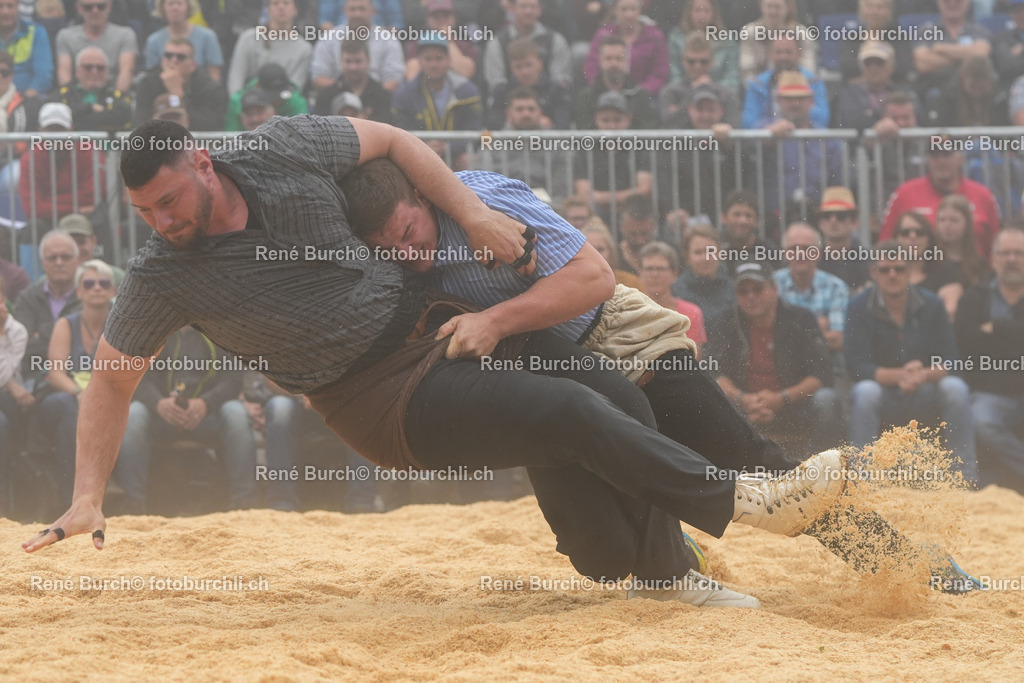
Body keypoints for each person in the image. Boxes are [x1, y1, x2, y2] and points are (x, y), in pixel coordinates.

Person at [23, 117, 856, 611]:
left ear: (202, 162)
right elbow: (112, 377)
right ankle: (748, 501)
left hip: (439, 328)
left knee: (600, 397)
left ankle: (667, 573)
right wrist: (88, 494)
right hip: (376, 398)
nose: (161, 220)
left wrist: (472, 217)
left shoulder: (278, 148)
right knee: (565, 414)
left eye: (168, 199)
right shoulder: (161, 274)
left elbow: (393, 138)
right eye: (144, 210)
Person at [339, 158, 983, 593]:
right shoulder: (397, 264)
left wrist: (498, 321)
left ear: (421, 197)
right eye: (387, 249)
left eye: (407, 230)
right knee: (598, 555)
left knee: (749, 458)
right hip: (554, 373)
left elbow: (592, 278)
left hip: (619, 338)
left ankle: (913, 564)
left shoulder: (486, 202)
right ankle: (677, 557)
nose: (406, 252)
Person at [845, 240, 977, 484]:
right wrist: (901, 375)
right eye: (885, 269)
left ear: (910, 270)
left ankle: (964, 477)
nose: (892, 275)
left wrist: (922, 375)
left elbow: (951, 360)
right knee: (864, 391)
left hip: (924, 391)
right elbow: (856, 366)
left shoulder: (933, 304)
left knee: (956, 388)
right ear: (873, 272)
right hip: (884, 395)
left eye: (899, 268)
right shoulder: (857, 307)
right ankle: (860, 481)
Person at [113, 325, 257, 514]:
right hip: (160, 414)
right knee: (134, 414)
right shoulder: (151, 331)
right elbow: (134, 375)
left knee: (236, 413)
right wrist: (158, 403)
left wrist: (206, 403)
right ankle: (133, 504)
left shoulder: (219, 331)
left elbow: (233, 378)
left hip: (207, 414)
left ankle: (243, 503)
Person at [35, 258, 114, 508]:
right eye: (89, 283)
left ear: (113, 291)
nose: (96, 288)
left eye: (103, 283)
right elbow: (56, 373)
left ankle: (127, 499)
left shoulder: (120, 327)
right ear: (79, 291)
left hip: (107, 399)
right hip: (65, 397)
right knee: (72, 410)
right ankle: (72, 498)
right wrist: (79, 393)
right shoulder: (66, 324)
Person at [955, 227, 1024, 493]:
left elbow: (984, 342)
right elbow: (967, 342)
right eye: (1005, 253)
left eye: (1019, 253)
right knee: (981, 420)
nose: (1012, 259)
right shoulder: (975, 296)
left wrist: (995, 328)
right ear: (994, 259)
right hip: (990, 393)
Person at [879, 143, 1002, 258]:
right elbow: (886, 244)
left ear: (960, 158)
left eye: (947, 155)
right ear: (927, 159)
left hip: (973, 274)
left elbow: (996, 247)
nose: (941, 161)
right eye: (935, 155)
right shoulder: (904, 194)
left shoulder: (983, 196)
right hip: (921, 275)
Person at [392, 33, 482, 171]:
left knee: (467, 158)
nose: (433, 64)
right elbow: (401, 131)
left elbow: (475, 133)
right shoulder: (404, 94)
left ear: (449, 60)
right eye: (428, 59)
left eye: (438, 58)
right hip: (420, 156)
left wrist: (447, 147)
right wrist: (427, 146)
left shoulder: (468, 91)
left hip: (456, 156)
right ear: (419, 61)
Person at [11, 230, 80, 382]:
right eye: (52, 257)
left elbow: (88, 346)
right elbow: (22, 344)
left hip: (81, 375)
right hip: (36, 378)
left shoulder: (87, 295)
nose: (59, 262)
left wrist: (42, 332)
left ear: (77, 260)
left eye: (66, 257)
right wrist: (65, 339)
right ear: (42, 263)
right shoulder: (27, 298)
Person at [135, 37, 228, 131]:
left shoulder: (210, 88)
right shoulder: (147, 84)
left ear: (193, 65)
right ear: (162, 61)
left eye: (181, 57)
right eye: (168, 55)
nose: (173, 60)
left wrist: (179, 94)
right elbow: (141, 124)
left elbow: (209, 126)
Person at [483, 0, 571, 93]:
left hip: (548, 100)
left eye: (533, 7)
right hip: (510, 102)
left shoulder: (556, 40)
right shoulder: (497, 43)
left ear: (540, 9)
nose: (528, 11)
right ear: (512, 8)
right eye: (523, 6)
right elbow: (497, 84)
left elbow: (560, 82)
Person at [582, 0, 668, 94]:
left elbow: (660, 72)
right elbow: (591, 67)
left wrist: (639, 93)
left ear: (640, 10)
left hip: (643, 95)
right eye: (624, 9)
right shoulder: (603, 34)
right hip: (606, 94)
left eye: (633, 9)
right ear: (614, 10)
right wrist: (604, 90)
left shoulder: (655, 36)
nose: (629, 15)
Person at [227, 0, 311, 96]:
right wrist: (239, 105)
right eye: (275, 3)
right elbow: (236, 79)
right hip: (249, 103)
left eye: (286, 3)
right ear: (268, 10)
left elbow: (295, 88)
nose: (281, 7)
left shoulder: (304, 49)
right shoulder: (248, 38)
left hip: (284, 105)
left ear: (295, 10)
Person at [574, 35, 657, 130]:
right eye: (609, 58)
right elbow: (583, 136)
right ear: (600, 61)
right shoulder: (586, 97)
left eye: (619, 59)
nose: (614, 64)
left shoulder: (641, 95)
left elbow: (648, 135)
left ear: (627, 61)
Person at [55, 0, 137, 93]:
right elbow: (64, 73)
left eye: (101, 6)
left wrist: (116, 99)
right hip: (77, 95)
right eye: (88, 7)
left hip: (112, 93)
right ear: (79, 8)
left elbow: (126, 72)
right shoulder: (65, 36)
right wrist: (71, 99)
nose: (95, 11)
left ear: (109, 6)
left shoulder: (125, 35)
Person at [637, 241, 706, 346]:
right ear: (640, 273)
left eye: (661, 269)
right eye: (649, 268)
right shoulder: (630, 311)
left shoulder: (691, 313)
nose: (655, 274)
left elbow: (693, 358)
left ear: (674, 274)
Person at [313, 38, 392, 123]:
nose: (353, 67)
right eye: (348, 61)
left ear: (368, 61)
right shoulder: (326, 96)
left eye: (358, 61)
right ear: (341, 61)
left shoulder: (382, 95)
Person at [53, 46, 132, 131]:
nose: (94, 72)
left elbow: (124, 119)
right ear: (77, 71)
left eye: (100, 68)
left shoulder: (117, 95)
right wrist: (90, 108)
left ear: (107, 71)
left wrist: (79, 116)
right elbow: (54, 117)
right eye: (88, 67)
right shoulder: (63, 93)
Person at [672, 222, 734, 329]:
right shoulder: (675, 290)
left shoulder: (734, 287)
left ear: (720, 252)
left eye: (710, 251)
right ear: (687, 256)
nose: (705, 258)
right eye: (698, 252)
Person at [667, 0, 738, 92]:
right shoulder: (675, 38)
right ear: (689, 12)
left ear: (714, 13)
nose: (702, 16)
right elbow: (675, 75)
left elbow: (732, 77)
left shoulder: (727, 40)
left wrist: (711, 87)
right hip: (685, 94)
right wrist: (691, 88)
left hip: (718, 95)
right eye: (697, 11)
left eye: (706, 11)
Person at [143, 0, 223, 82]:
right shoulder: (153, 41)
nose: (175, 8)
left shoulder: (208, 37)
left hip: (200, 90)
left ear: (188, 7)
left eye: (179, 4)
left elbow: (214, 75)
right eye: (170, 4)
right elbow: (151, 76)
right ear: (162, 8)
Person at [816, 187, 871, 292]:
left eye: (840, 216)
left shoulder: (868, 260)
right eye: (827, 216)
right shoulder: (812, 259)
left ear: (854, 223)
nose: (833, 221)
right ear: (821, 223)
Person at [0, 0, 53, 99]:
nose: (5, 11)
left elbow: (43, 76)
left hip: (27, 101)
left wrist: (21, 101)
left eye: (10, 6)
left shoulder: (36, 32)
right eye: (0, 6)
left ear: (18, 7)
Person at [579, 216, 643, 290]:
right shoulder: (571, 282)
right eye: (591, 249)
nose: (596, 254)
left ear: (611, 252)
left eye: (600, 249)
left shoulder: (632, 283)